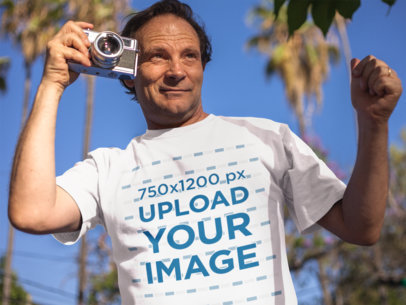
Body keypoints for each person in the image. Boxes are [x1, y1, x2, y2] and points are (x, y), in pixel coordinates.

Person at [8, 0, 403, 304]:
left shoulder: (266, 138)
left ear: (202, 67)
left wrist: (373, 124)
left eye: (189, 56)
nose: (176, 70)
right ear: (128, 71)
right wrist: (52, 84)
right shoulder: (109, 168)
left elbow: (361, 226)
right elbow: (31, 211)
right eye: (157, 56)